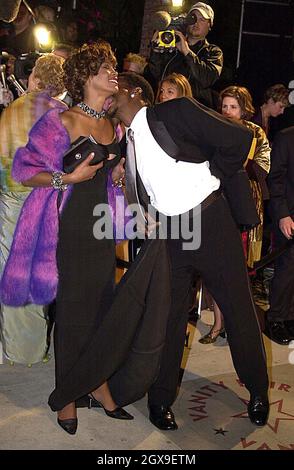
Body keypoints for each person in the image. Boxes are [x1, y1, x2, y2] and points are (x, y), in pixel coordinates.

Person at [108, 72, 269, 430]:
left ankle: (258, 391)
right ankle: (160, 399)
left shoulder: (176, 111)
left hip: (210, 221)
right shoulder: (126, 142)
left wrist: (214, 171)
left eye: (114, 84)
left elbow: (240, 138)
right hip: (171, 232)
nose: (107, 91)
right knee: (169, 317)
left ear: (134, 91)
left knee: (238, 310)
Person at [0, 43, 133, 434]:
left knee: (101, 308)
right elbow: (25, 172)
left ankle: (99, 384)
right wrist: (68, 178)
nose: (114, 74)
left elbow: (110, 174)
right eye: (107, 69)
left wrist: (118, 173)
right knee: (74, 313)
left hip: (101, 227)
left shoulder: (114, 126)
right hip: (69, 227)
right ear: (87, 77)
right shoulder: (62, 121)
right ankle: (68, 396)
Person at [0, 53, 67, 365]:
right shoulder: (61, 113)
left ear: (36, 78)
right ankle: (30, 350)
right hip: (43, 202)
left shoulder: (12, 109)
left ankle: (13, 349)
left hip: (10, 201)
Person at [199, 85, 271, 344]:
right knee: (216, 268)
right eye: (225, 106)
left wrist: (235, 163)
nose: (228, 111)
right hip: (215, 201)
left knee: (239, 273)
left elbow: (263, 166)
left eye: (233, 107)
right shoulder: (213, 128)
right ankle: (218, 324)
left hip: (243, 205)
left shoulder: (255, 133)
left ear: (244, 109)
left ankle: (241, 330)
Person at [145, 2, 223, 109]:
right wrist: (156, 53)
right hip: (167, 108)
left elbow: (207, 79)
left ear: (210, 25)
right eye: (193, 18)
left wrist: (187, 52)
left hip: (195, 112)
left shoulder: (213, 51)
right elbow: (156, 74)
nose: (196, 23)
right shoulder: (171, 45)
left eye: (202, 20)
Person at [265, 127, 294, 345]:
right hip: (289, 215)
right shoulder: (286, 137)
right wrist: (283, 214)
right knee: (287, 268)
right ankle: (275, 318)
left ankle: (290, 316)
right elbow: (275, 178)